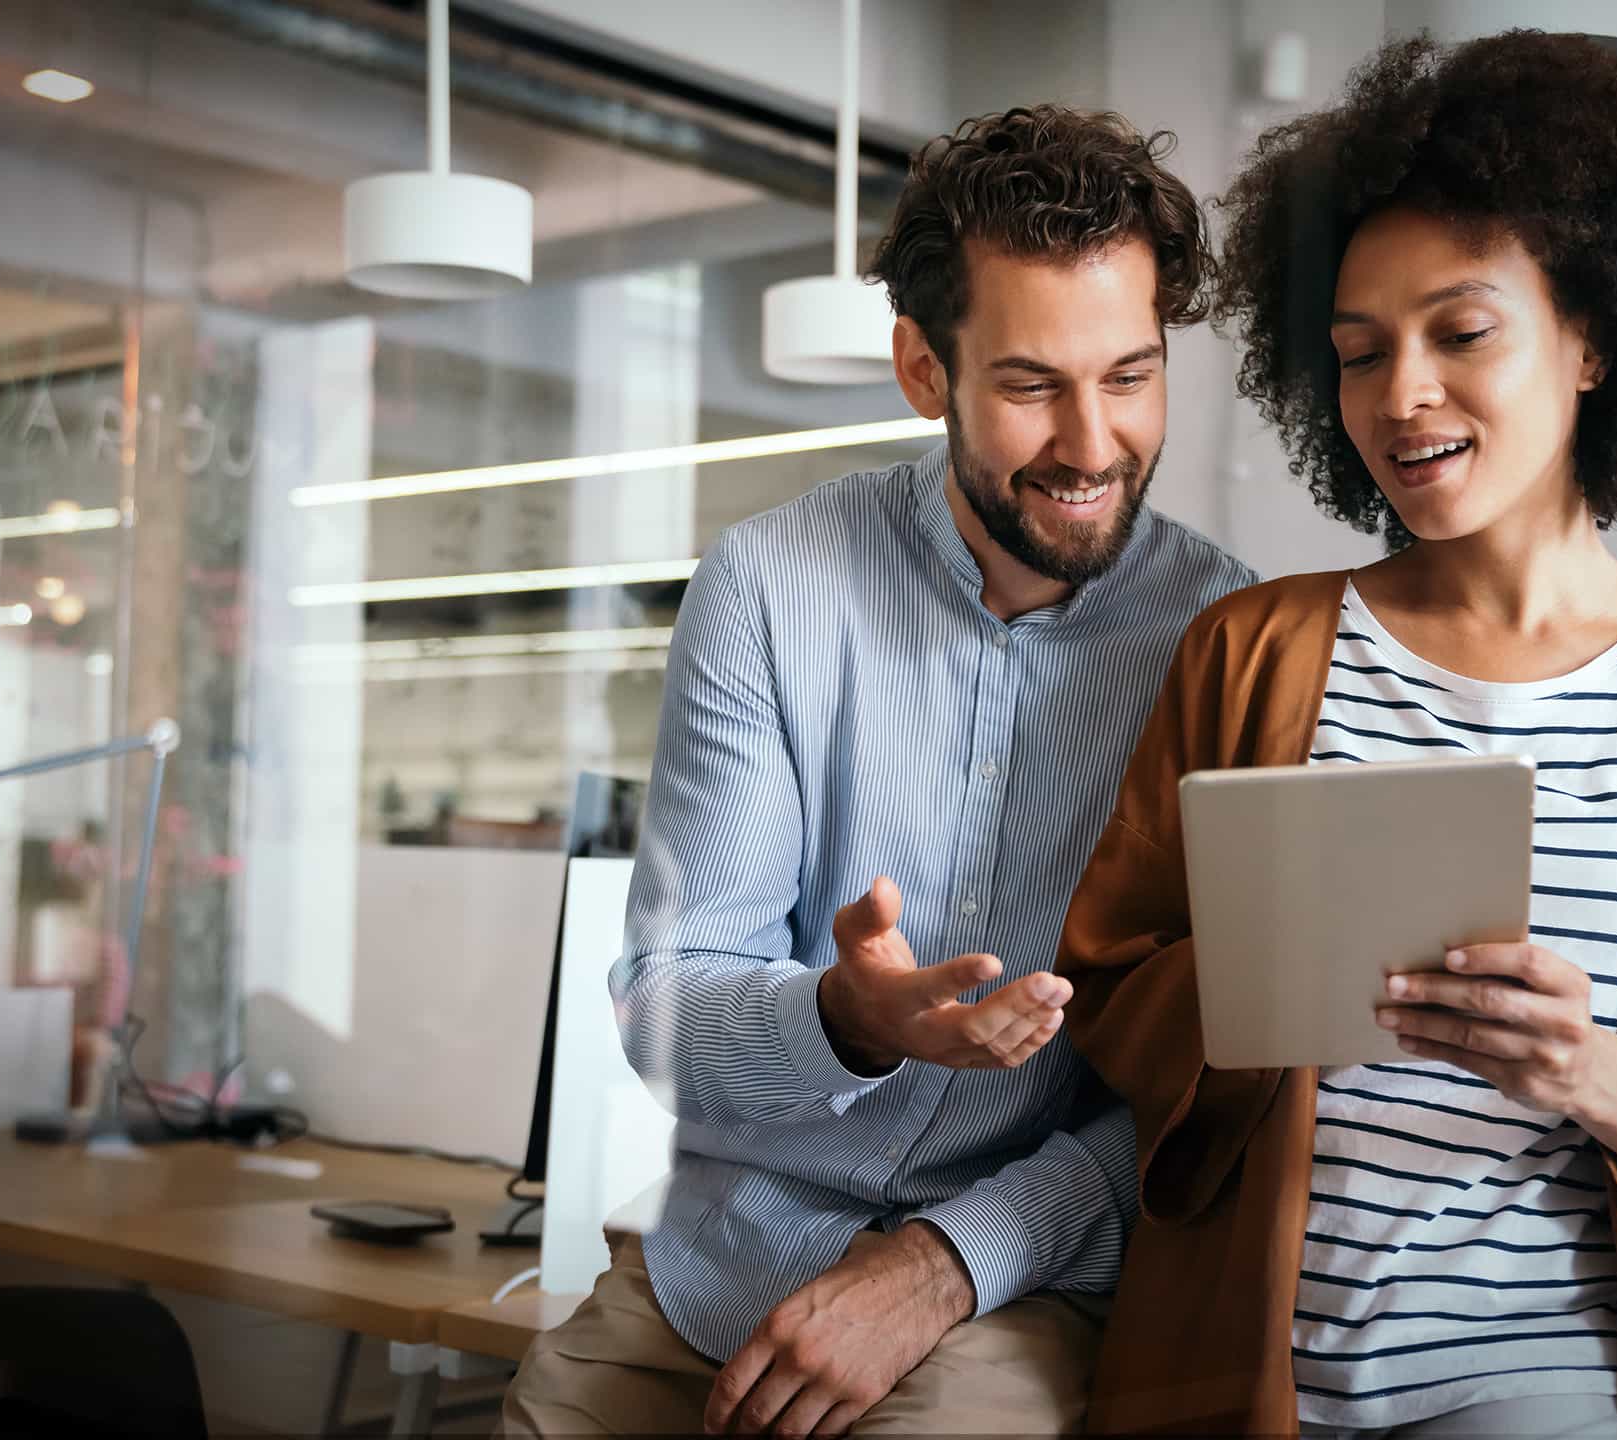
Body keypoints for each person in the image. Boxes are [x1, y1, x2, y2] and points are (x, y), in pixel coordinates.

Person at [1056, 32, 1617, 1440]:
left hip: (1556, 1378)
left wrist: (1598, 1074)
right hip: (1246, 1366)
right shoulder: (1252, 651)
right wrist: (1269, 978)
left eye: (1461, 334)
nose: (1400, 393)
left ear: (1594, 341)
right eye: (1358, 352)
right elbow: (1110, 984)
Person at [499, 104, 1259, 1437]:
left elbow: (1208, 1085)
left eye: (1130, 376)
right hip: (724, 1261)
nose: (1093, 443)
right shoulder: (768, 586)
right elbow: (663, 1010)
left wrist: (945, 1263)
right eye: (1031, 385)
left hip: (1017, 1282)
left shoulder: (1227, 641)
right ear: (923, 369)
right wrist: (849, 1021)